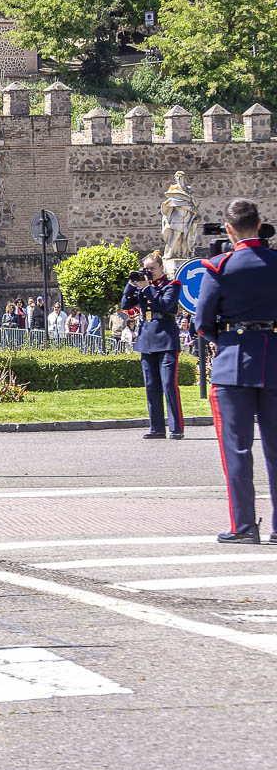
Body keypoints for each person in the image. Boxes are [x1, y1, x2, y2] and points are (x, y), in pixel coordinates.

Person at [193, 199, 277, 544]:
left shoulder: (218, 267)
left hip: (233, 366)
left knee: (237, 449)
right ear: (260, 225)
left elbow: (202, 323)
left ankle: (244, 527)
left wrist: (227, 341)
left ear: (229, 230)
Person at [121, 251, 185, 439]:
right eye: (146, 269)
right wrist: (132, 284)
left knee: (168, 384)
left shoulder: (172, 285)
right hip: (147, 337)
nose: (148, 272)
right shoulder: (142, 287)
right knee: (151, 385)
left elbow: (164, 305)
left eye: (152, 269)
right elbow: (126, 304)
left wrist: (147, 287)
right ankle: (156, 428)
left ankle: (176, 428)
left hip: (165, 336)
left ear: (161, 268)